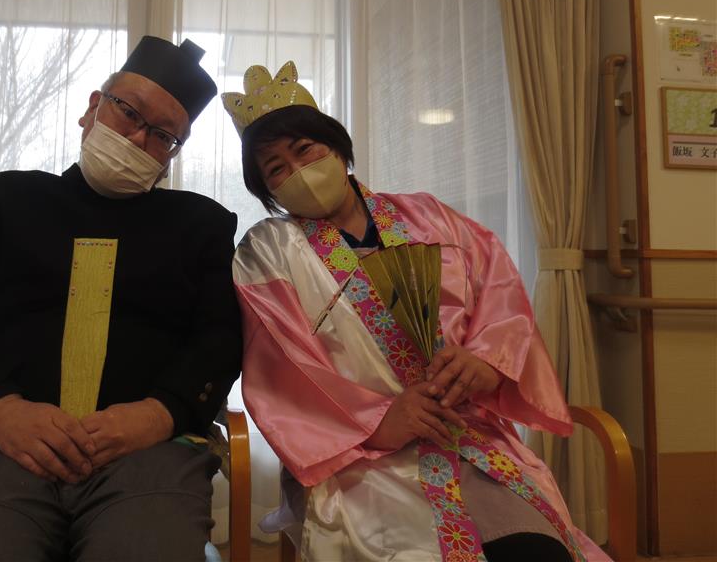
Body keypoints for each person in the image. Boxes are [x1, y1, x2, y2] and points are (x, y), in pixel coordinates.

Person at [221, 61, 610, 562]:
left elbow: (499, 293)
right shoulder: (268, 252)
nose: (298, 172)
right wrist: (379, 421)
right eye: (276, 169)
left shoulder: (429, 217)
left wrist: (485, 361)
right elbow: (280, 368)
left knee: (534, 550)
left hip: (465, 435)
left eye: (305, 149)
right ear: (268, 192)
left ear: (337, 148)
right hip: (358, 458)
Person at [0, 36, 243, 562]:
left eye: (162, 135)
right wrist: (0, 409)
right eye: (128, 111)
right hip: (6, 451)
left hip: (150, 457)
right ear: (92, 108)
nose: (137, 138)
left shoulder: (202, 226)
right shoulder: (4, 202)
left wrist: (160, 414)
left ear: (172, 154)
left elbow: (220, 337)